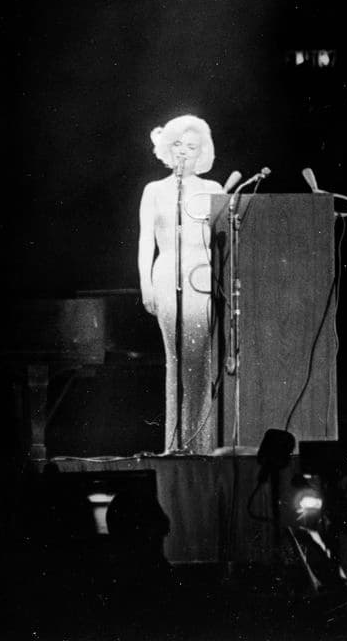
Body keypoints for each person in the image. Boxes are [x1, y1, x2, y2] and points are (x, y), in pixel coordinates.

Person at [138, 115, 224, 454]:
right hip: (167, 275)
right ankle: (175, 443)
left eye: (192, 147)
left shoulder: (214, 189)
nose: (184, 153)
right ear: (167, 149)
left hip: (202, 277)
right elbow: (146, 241)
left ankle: (202, 443)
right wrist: (145, 284)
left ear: (202, 151)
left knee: (202, 360)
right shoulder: (154, 190)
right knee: (175, 359)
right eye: (178, 145)